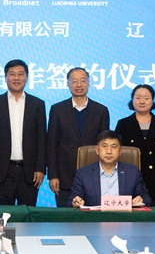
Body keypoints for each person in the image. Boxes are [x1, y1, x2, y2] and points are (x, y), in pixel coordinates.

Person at [0, 59, 46, 206]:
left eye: (20, 74)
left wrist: (40, 168)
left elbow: (42, 139)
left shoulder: (37, 104)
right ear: (5, 77)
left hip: (30, 172)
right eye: (12, 74)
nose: (16, 78)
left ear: (27, 77)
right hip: (2, 172)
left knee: (28, 214)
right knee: (4, 214)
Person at [47, 67, 110, 208]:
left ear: (89, 83)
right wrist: (53, 175)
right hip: (64, 176)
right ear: (68, 84)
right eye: (74, 81)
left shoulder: (101, 111)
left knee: (92, 216)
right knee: (65, 217)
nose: (79, 85)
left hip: (94, 175)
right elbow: (51, 144)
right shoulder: (57, 109)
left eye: (82, 81)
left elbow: (104, 146)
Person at [114, 84, 155, 206]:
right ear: (132, 100)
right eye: (138, 98)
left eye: (146, 98)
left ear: (153, 100)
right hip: (129, 182)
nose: (142, 101)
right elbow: (116, 154)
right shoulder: (123, 124)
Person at [69, 130, 151, 207]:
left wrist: (141, 200)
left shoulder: (133, 172)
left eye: (113, 147)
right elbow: (71, 201)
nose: (109, 151)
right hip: (95, 217)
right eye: (104, 146)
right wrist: (76, 202)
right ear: (97, 150)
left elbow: (147, 199)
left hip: (124, 217)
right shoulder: (83, 173)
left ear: (120, 151)